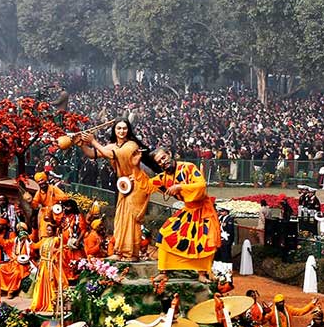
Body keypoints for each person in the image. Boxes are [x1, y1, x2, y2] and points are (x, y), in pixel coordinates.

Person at [138, 148, 221, 284]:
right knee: (165, 234)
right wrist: (135, 171)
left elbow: (201, 185)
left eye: (164, 158)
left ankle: (202, 273)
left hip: (203, 210)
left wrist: (180, 187)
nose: (163, 163)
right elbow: (147, 185)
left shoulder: (188, 167)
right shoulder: (164, 177)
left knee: (205, 240)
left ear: (169, 154)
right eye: (159, 162)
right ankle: (164, 272)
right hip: (188, 211)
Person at [77, 120, 153, 261]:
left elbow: (110, 154)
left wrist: (93, 141)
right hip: (124, 185)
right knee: (120, 218)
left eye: (124, 128)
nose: (122, 131)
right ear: (114, 130)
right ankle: (120, 251)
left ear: (128, 130)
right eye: (119, 128)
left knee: (131, 219)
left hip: (136, 183)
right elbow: (93, 154)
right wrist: (82, 145)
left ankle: (131, 253)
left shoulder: (131, 145)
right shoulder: (113, 145)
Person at [28, 223, 66, 313]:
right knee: (41, 283)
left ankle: (51, 302)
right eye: (47, 230)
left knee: (51, 283)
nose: (48, 232)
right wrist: (28, 239)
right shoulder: (44, 239)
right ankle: (41, 302)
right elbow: (35, 246)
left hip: (50, 264)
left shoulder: (56, 239)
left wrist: (55, 255)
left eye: (50, 230)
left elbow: (61, 249)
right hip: (43, 264)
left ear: (53, 231)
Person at [30, 172, 68, 241]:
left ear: (45, 180)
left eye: (42, 180)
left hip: (55, 213)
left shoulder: (54, 188)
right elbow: (34, 204)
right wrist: (30, 201)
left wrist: (55, 197)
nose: (41, 183)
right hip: (45, 214)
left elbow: (65, 197)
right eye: (39, 181)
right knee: (43, 232)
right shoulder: (39, 192)